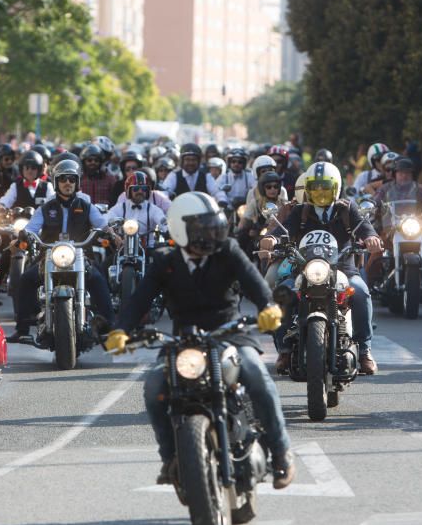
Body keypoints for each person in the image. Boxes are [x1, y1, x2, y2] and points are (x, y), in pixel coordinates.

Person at [104, 192, 296, 489]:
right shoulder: (164, 262)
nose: (212, 235)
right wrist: (120, 330)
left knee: (257, 376)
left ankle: (281, 452)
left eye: (214, 227)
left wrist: (268, 308)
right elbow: (138, 299)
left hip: (230, 333)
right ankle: (171, 459)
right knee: (154, 388)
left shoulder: (228, 250)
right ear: (182, 231)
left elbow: (255, 284)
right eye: (202, 229)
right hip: (184, 341)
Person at [260, 162, 384, 375]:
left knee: (361, 293)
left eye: (325, 187)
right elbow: (285, 230)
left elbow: (365, 228)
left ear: (335, 188)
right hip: (304, 269)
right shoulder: (300, 211)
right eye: (315, 187)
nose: (320, 192)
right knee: (284, 293)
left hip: (343, 269)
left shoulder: (347, 209)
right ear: (308, 189)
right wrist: (271, 238)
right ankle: (285, 349)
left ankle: (364, 351)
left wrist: (371, 238)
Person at [9, 159, 116, 342]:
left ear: (77, 183)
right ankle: (22, 329)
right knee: (26, 279)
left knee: (99, 279)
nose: (68, 183)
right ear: (56, 182)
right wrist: (23, 235)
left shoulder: (86, 206)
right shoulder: (46, 207)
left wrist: (113, 235)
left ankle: (109, 327)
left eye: (72, 179)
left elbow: (103, 225)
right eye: (63, 179)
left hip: (81, 257)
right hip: (50, 257)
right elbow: (31, 228)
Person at [367, 157, 422, 292]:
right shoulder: (385, 189)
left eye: (407, 173)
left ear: (412, 174)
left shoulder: (420, 189)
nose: (404, 175)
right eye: (401, 172)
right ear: (395, 174)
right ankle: (368, 289)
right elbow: (375, 200)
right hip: (390, 230)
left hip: (416, 231)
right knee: (375, 255)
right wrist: (370, 206)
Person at [105, 172, 167, 249]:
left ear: (147, 191)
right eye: (136, 188)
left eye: (144, 189)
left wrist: (167, 229)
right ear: (129, 191)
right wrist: (114, 236)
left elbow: (163, 222)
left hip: (148, 249)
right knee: (106, 260)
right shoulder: (120, 207)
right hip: (122, 249)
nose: (140, 191)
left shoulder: (154, 209)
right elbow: (105, 221)